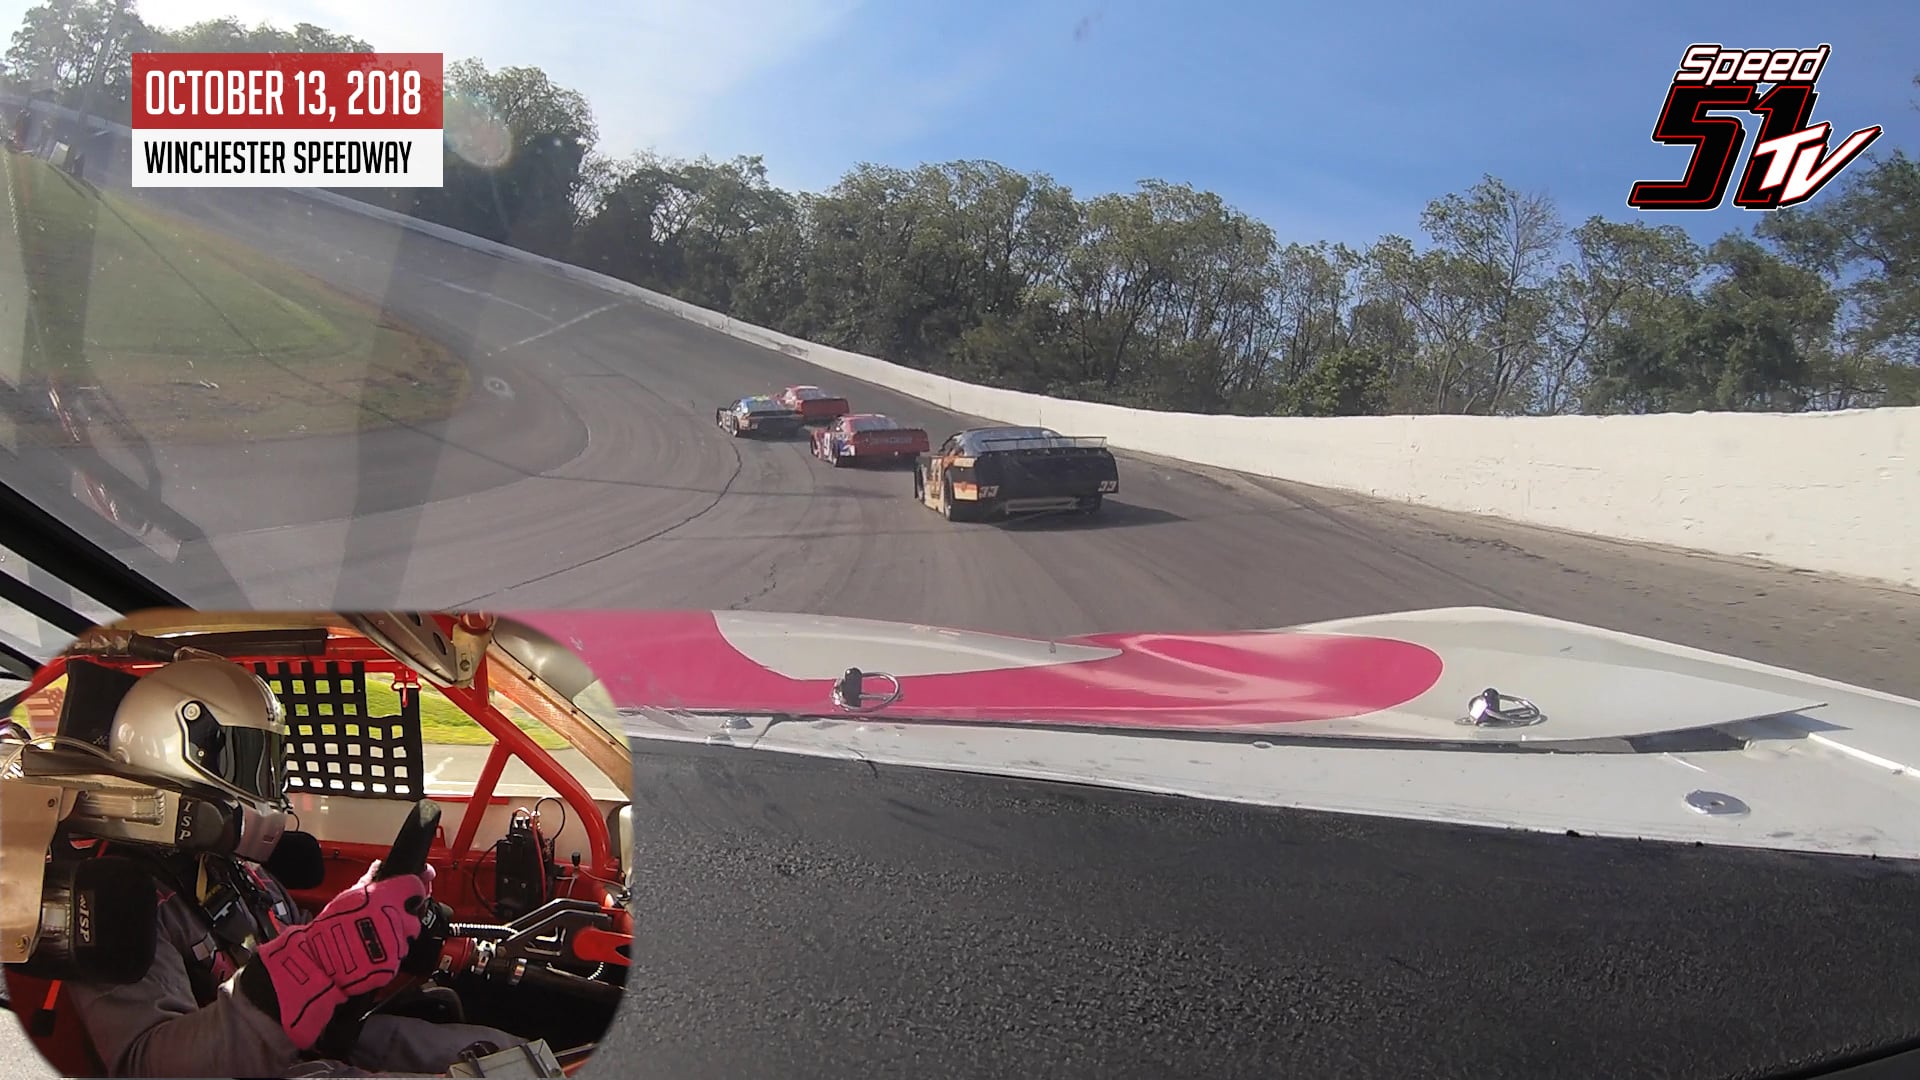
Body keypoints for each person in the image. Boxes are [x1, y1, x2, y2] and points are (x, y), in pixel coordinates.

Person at [59, 657, 529, 1078]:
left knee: (508, 1057)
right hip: (254, 1064)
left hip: (322, 1041)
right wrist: (317, 959)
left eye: (268, 760)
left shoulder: (240, 869)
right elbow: (148, 1064)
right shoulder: (116, 897)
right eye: (246, 759)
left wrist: (358, 925)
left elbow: (293, 946)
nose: (266, 784)